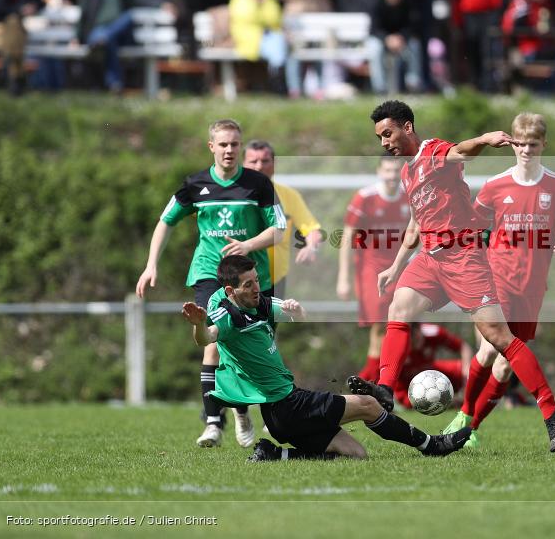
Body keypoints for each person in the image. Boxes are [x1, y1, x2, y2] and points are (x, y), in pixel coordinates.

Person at [346, 100, 555, 453]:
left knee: (499, 338)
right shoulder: (408, 172)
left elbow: (460, 152)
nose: (384, 143)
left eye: (387, 134)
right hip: (430, 259)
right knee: (399, 307)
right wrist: (397, 265)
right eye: (379, 138)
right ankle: (386, 389)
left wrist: (483, 138)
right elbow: (416, 223)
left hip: (464, 257)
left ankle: (552, 412)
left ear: (407, 127)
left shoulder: (432, 151)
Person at [181, 255, 472, 461]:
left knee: (356, 454)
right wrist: (197, 324)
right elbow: (207, 338)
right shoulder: (227, 315)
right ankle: (432, 445)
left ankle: (276, 454)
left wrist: (295, 309)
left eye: (257, 280)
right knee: (369, 405)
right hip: (287, 405)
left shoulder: (257, 302)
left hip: (281, 413)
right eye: (248, 285)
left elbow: (295, 313)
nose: (257, 288)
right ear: (231, 290)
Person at [136, 119, 286, 449]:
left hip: (252, 278)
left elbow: (279, 229)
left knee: (252, 347)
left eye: (235, 144)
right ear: (211, 147)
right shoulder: (195, 184)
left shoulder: (258, 184)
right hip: (209, 272)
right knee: (214, 339)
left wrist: (248, 246)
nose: (229, 150)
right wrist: (151, 264)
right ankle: (213, 423)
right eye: (223, 144)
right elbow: (166, 221)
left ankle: (242, 410)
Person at [443, 112, 555, 448]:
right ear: (512, 144)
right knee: (490, 348)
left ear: (543, 144)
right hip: (496, 278)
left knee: (505, 369)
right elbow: (474, 227)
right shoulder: (496, 185)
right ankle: (463, 413)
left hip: (532, 285)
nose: (526, 150)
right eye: (520, 144)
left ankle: (469, 426)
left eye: (533, 144)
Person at [336, 156, 410, 382]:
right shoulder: (365, 198)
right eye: (387, 170)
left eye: (396, 171)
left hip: (401, 267)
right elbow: (347, 236)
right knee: (381, 325)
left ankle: (380, 382)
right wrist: (344, 278)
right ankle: (373, 381)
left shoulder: (409, 195)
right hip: (371, 268)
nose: (392, 176)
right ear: (379, 171)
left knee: (400, 325)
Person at [242, 140, 321, 297]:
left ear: (274, 164)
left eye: (265, 161)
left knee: (268, 322)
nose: (259, 166)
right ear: (243, 164)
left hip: (274, 282)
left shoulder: (289, 195)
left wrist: (311, 247)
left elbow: (311, 229)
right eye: (253, 161)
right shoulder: (228, 195)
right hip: (237, 281)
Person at [274, 0, 339, 98]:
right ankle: (295, 89)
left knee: (318, 53)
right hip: (296, 17)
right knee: (295, 53)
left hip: (319, 16)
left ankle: (319, 89)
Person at [228, 0, 291, 96]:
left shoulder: (269, 0)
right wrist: (258, 5)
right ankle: (277, 79)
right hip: (247, 38)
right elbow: (246, 16)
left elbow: (275, 19)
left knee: (278, 41)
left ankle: (277, 78)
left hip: (269, 38)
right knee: (276, 44)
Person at [76, 0, 133, 93]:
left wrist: (164, 5)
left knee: (128, 17)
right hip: (96, 32)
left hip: (118, 34)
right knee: (106, 39)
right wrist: (76, 38)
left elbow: (137, 8)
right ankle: (114, 84)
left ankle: (102, 40)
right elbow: (82, 19)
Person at [367, 0, 422, 94]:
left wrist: (400, 38)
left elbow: (412, 26)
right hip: (381, 39)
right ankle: (380, 88)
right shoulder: (375, 1)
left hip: (401, 39)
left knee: (414, 45)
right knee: (374, 48)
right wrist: (387, 39)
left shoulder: (409, 3)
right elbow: (374, 29)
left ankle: (413, 84)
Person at [394, 324, 472, 408]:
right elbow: (400, 393)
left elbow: (463, 347)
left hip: (433, 371)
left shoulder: (433, 332)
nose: (414, 341)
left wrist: (466, 378)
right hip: (409, 385)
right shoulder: (396, 350)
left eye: (415, 335)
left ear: (420, 329)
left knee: (470, 370)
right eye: (410, 339)